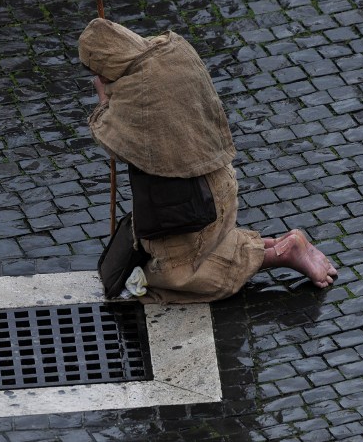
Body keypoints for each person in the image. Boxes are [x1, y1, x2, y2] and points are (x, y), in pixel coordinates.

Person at [78, 18, 338, 304]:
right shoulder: (171, 51)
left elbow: (115, 142)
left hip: (191, 202)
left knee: (179, 275)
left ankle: (281, 254)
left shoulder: (141, 94)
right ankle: (281, 244)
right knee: (210, 244)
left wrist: (104, 99)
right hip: (219, 177)